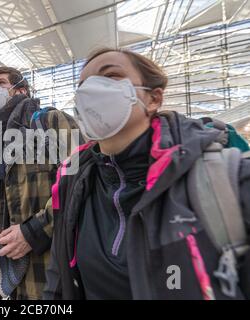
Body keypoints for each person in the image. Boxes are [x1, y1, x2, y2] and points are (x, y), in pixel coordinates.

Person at [44, 47, 250, 300]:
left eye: (110, 76)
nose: (90, 91)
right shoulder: (74, 182)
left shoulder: (226, 179)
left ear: (153, 99)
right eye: (83, 85)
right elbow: (58, 278)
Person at [0, 66, 82, 299]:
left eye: (0, 83)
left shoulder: (52, 121)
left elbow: (78, 183)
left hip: (49, 265)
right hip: (9, 269)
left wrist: (33, 233)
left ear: (21, 90)